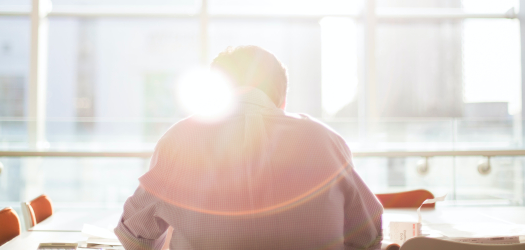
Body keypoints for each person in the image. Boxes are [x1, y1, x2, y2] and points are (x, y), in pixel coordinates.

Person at [115, 45, 383, 250]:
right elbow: (369, 235)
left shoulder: (180, 139)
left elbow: (135, 235)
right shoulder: (326, 141)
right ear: (282, 98)